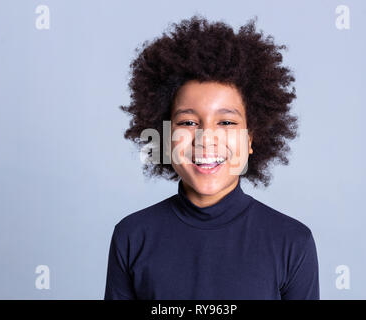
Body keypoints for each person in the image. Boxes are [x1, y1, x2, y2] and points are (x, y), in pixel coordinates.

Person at [104, 14, 320, 300]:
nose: (206, 140)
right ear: (166, 135)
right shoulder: (132, 237)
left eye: (227, 123)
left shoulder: (292, 242)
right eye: (188, 122)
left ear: (251, 138)